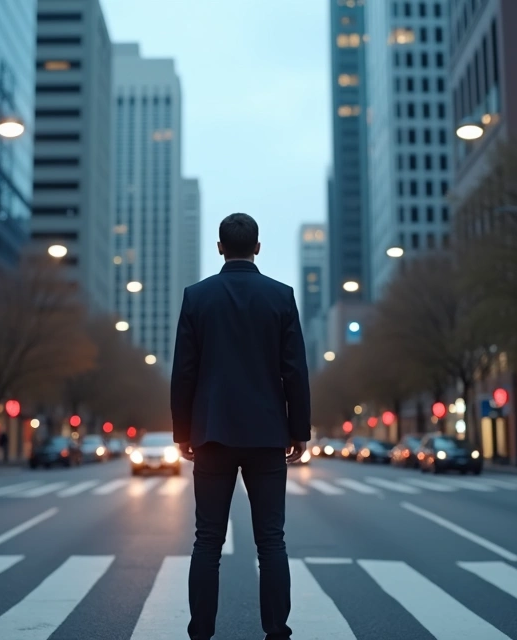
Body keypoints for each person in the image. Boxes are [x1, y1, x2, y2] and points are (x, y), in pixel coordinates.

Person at [171, 212, 311, 640]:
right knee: (271, 541)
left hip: (212, 433)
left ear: (219, 248)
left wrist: (182, 432)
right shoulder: (281, 297)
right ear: (258, 247)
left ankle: (201, 632)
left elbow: (184, 372)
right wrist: (299, 431)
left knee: (207, 540)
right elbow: (294, 371)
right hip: (267, 434)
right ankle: (276, 631)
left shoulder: (197, 297)